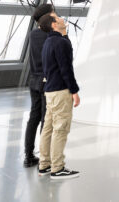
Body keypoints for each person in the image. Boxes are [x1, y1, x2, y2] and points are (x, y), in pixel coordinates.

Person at [38, 11, 80, 179]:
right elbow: (66, 69)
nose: (62, 18)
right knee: (60, 129)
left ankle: (45, 164)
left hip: (50, 90)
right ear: (54, 24)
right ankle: (57, 168)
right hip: (61, 91)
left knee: (48, 128)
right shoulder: (61, 43)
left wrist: (65, 34)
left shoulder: (49, 42)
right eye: (58, 17)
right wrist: (74, 91)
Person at [23, 3, 54, 168]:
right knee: (45, 120)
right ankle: (44, 158)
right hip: (47, 81)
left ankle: (28, 156)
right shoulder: (51, 35)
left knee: (33, 118)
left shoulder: (33, 34)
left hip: (33, 80)